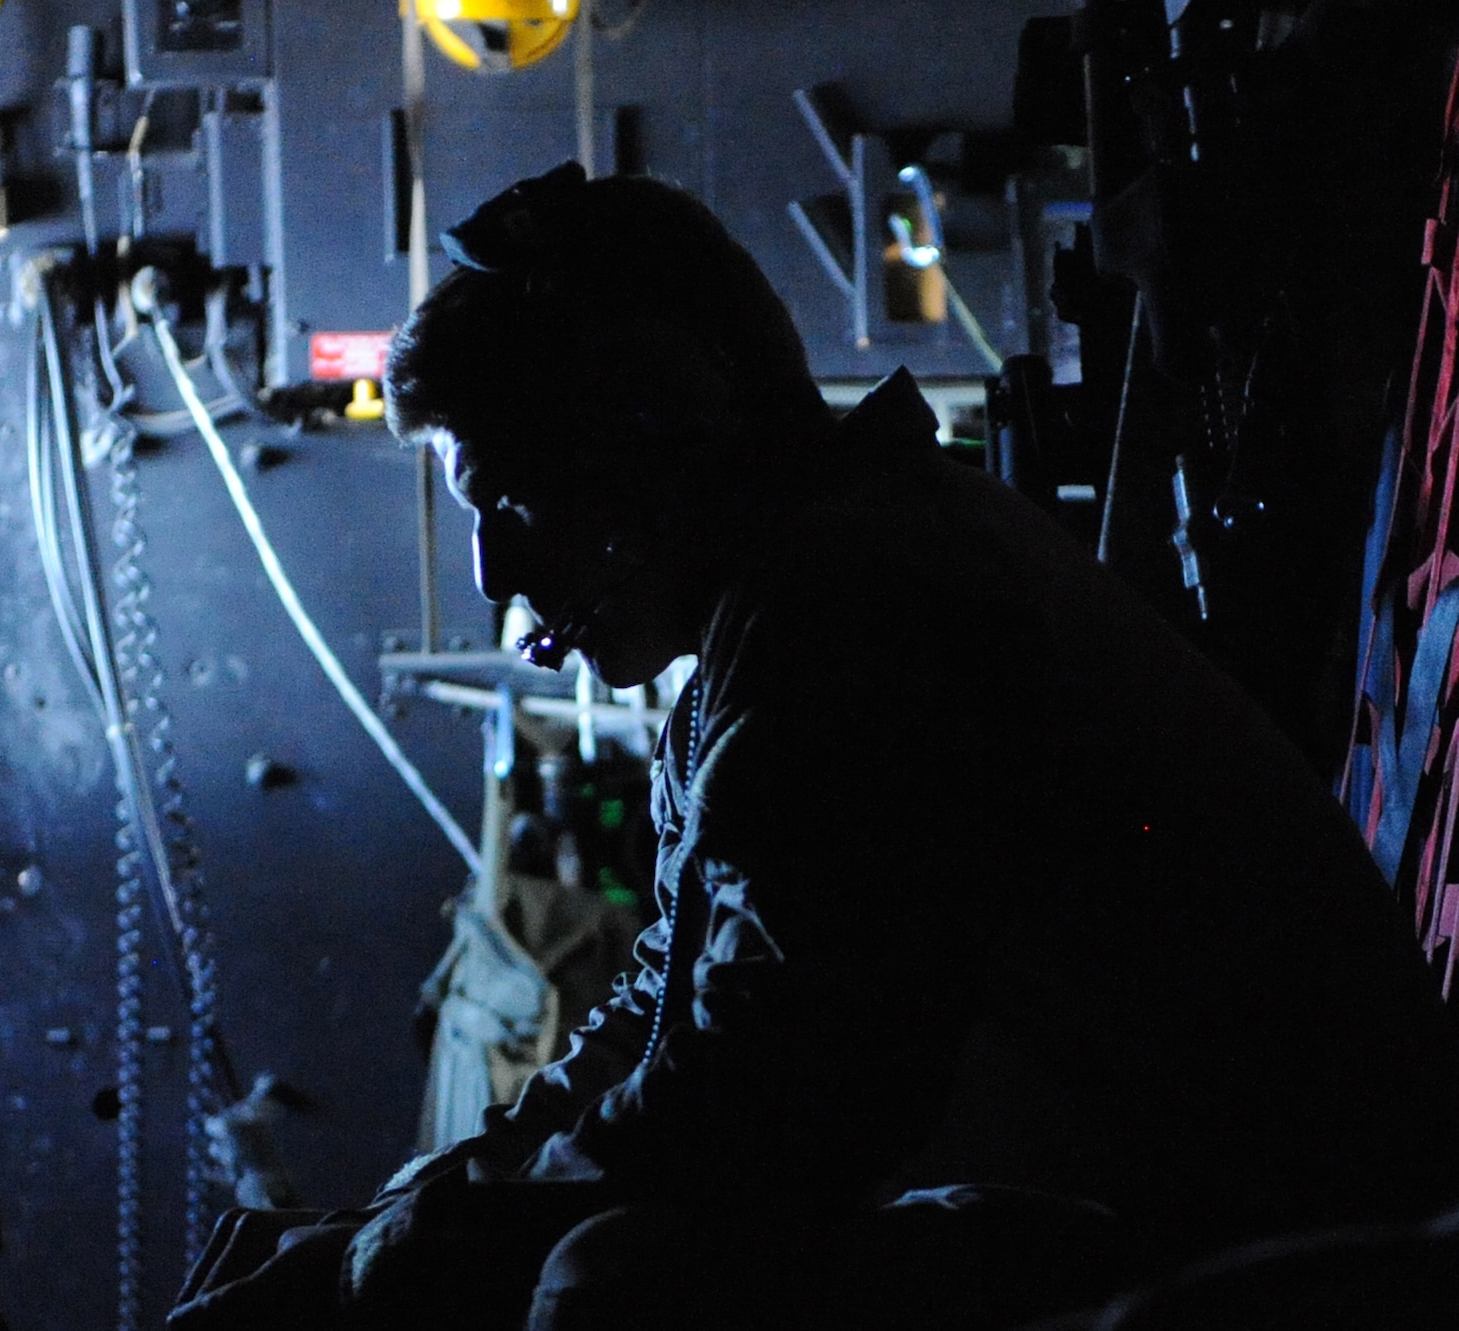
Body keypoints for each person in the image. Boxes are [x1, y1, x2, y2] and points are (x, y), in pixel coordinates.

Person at [168, 163, 1459, 1330]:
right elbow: (661, 1019)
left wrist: (397, 1261)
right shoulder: (798, 604)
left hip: (1308, 1241)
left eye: (509, 496)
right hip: (1201, 1209)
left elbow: (762, 1105)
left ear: (651, 425)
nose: (495, 571)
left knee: (613, 1292)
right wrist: (419, 1201)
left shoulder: (859, 610)